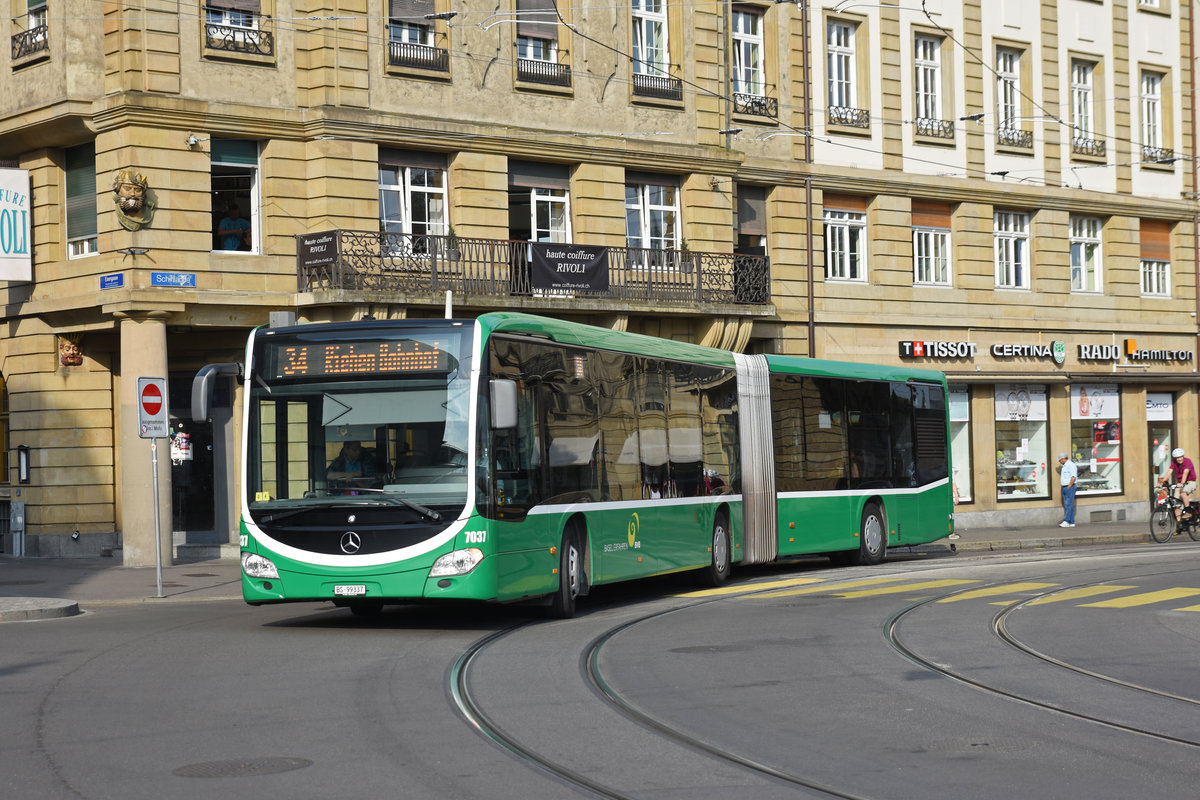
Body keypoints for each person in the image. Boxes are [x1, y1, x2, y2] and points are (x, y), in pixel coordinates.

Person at [1168, 447, 1197, 522]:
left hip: (1189, 482)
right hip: (1181, 484)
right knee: (1176, 504)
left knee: (1182, 491)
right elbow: (1169, 472)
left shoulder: (1188, 461)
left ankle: (1188, 511)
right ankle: (1179, 524)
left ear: (1183, 456)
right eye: (1177, 457)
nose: (1179, 459)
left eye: (1180, 457)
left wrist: (1182, 483)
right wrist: (1162, 482)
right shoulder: (1174, 463)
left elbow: (1185, 473)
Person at [1057, 452, 1077, 528]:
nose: (1059, 461)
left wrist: (1069, 486)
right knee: (1068, 505)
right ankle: (1071, 522)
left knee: (1068, 504)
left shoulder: (1070, 465)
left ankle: (1066, 521)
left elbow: (1073, 477)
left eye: (1060, 460)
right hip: (1065, 487)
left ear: (1063, 459)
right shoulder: (1065, 466)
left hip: (1069, 487)